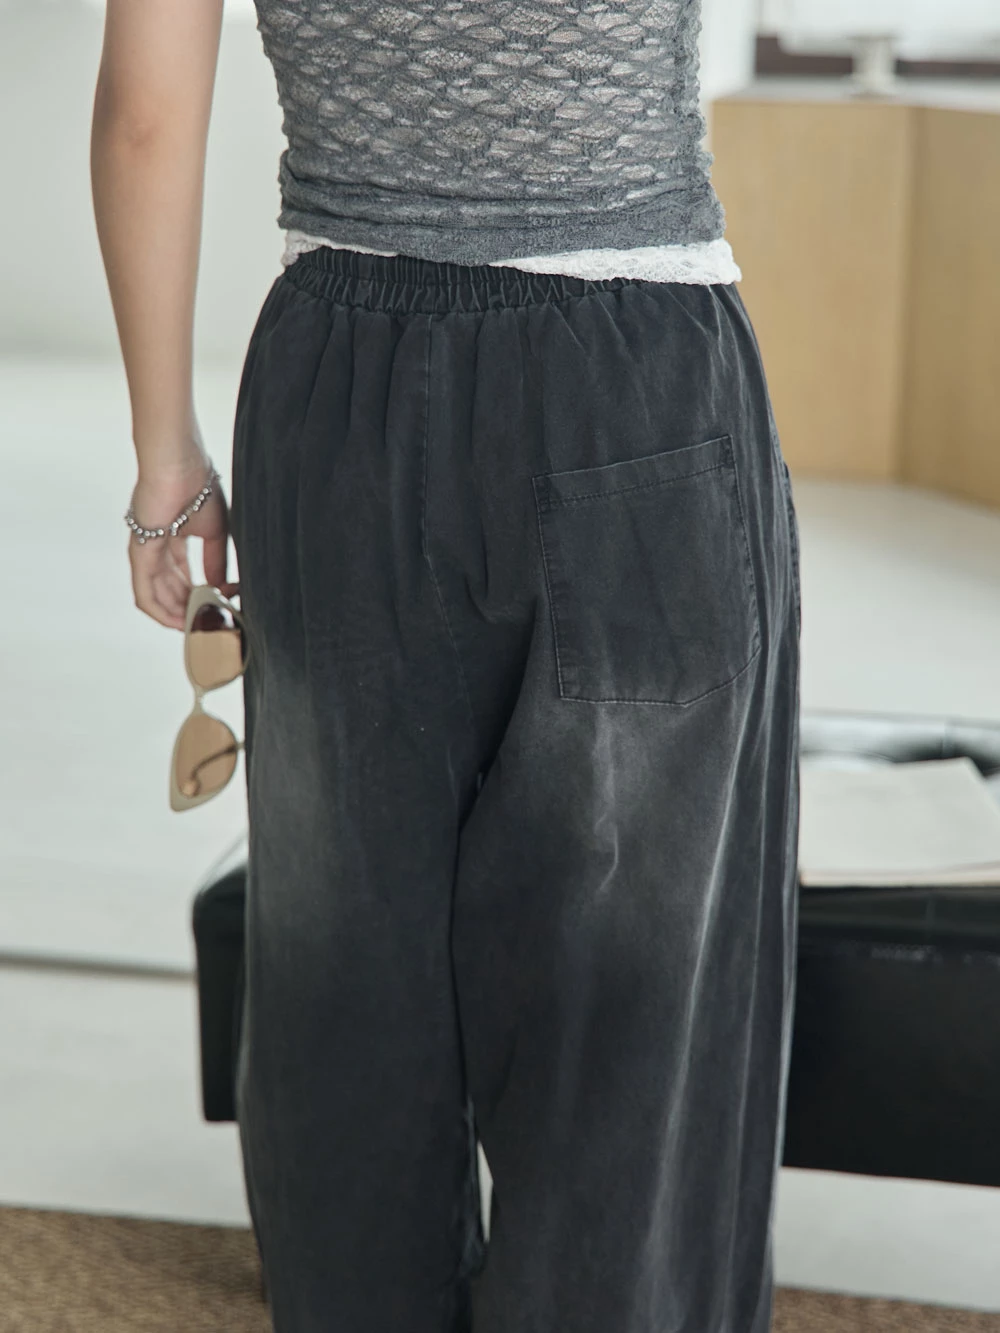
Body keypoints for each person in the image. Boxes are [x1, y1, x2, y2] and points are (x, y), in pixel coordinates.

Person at [91, 0, 802, 1329]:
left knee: (346, 985)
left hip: (337, 399)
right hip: (637, 394)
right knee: (635, 1010)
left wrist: (165, 454)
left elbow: (145, 118)